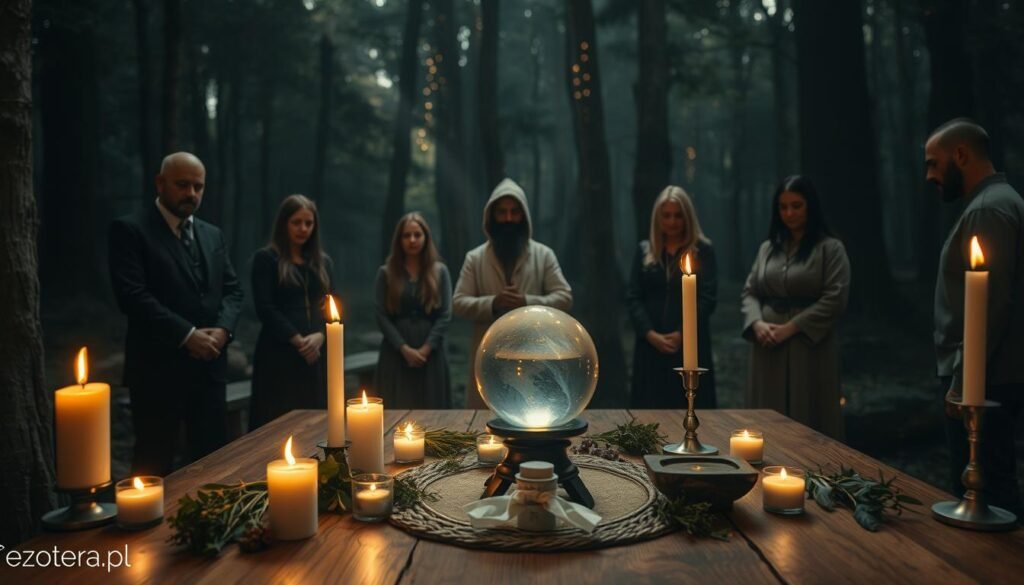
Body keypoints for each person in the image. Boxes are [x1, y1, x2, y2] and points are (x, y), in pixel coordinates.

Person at [109, 152, 243, 476]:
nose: (192, 194)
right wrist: (187, 335)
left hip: (209, 370)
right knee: (153, 464)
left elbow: (233, 290)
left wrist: (222, 331)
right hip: (157, 373)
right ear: (160, 183)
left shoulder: (212, 235)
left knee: (212, 465)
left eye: (198, 186)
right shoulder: (130, 231)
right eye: (183, 185)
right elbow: (132, 297)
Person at [926, 118, 1024, 517]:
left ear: (961, 155)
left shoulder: (989, 210)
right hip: (989, 374)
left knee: (986, 493)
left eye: (933, 163)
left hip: (986, 380)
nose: (929, 175)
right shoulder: (998, 202)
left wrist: (963, 381)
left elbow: (991, 304)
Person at [740, 175, 850, 439]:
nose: (789, 213)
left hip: (809, 346)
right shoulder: (768, 249)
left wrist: (791, 328)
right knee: (766, 414)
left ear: (810, 206)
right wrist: (757, 323)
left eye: (796, 205)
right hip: (767, 346)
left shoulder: (830, 249)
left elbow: (835, 298)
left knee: (809, 410)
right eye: (783, 206)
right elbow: (750, 291)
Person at [453, 178, 572, 409]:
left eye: (515, 212)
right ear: (491, 216)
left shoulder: (543, 255)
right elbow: (458, 302)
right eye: (502, 212)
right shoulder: (475, 258)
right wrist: (493, 303)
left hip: (534, 356)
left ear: (524, 216)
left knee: (531, 416)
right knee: (485, 422)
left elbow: (565, 297)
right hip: (487, 355)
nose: (508, 218)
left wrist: (527, 303)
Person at [626, 186, 718, 408]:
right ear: (658, 218)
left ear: (687, 216)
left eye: (678, 215)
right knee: (650, 406)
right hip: (650, 345)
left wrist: (682, 333)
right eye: (666, 215)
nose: (672, 221)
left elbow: (707, 297)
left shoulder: (702, 250)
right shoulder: (644, 250)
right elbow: (633, 295)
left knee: (689, 404)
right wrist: (649, 333)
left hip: (690, 345)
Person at [249, 195, 334, 430]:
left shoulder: (322, 263)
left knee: (314, 423)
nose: (303, 229)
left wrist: (320, 335)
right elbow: (265, 307)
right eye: (296, 222)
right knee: (276, 421)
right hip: (278, 354)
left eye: (309, 223)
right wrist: (298, 341)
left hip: (315, 354)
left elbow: (331, 306)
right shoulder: (266, 259)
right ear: (284, 223)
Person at [374, 212, 452, 408]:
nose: (412, 240)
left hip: (431, 353)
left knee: (432, 407)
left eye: (417, 234)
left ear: (426, 237)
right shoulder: (386, 273)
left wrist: (425, 349)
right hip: (396, 353)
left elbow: (445, 314)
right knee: (396, 404)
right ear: (398, 239)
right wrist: (404, 349)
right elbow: (381, 315)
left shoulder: (440, 271)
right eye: (406, 235)